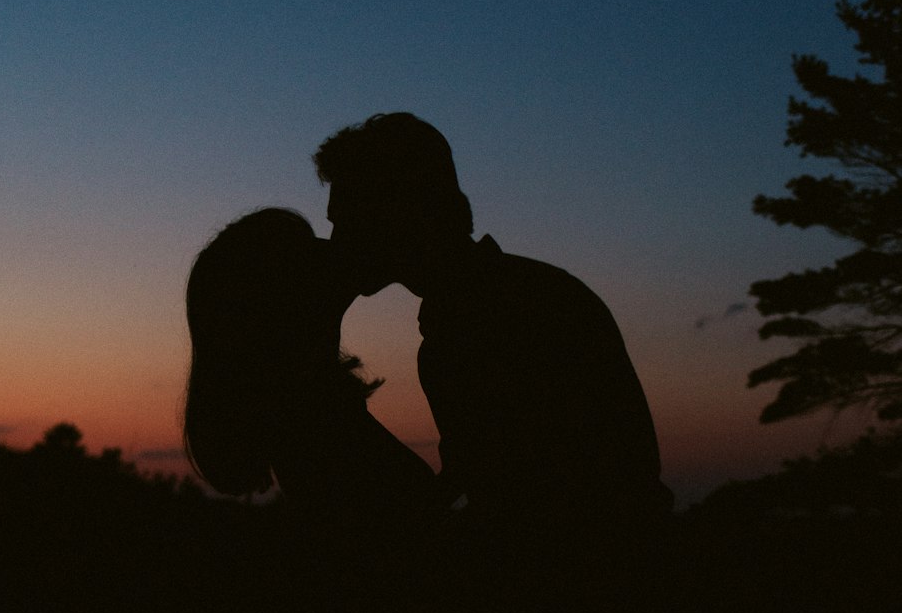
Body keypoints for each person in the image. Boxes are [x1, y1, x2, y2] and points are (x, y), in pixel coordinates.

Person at [313, 113, 673, 570]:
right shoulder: (504, 301)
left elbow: (531, 509)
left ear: (397, 211)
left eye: (347, 220)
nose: (336, 240)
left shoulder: (498, 318)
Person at [183, 207, 440, 538]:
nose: (328, 247)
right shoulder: (318, 436)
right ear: (279, 302)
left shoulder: (313, 419)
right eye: (304, 253)